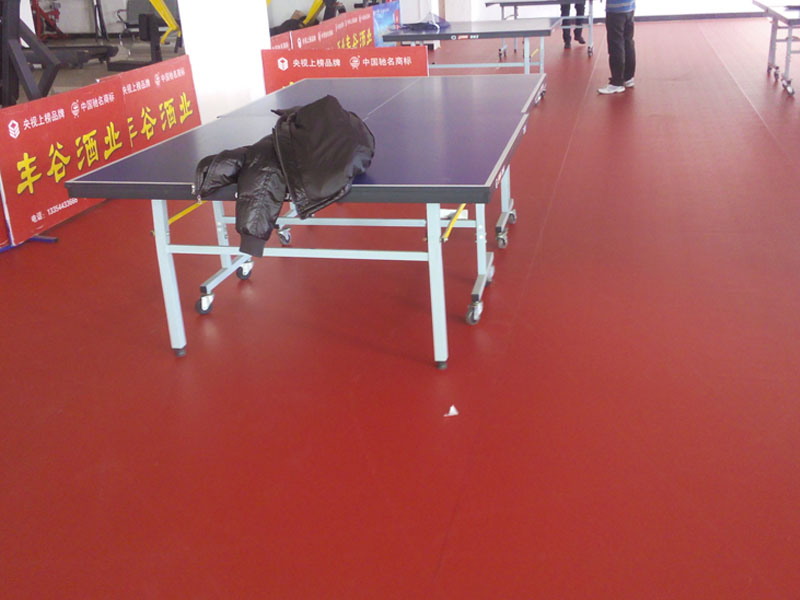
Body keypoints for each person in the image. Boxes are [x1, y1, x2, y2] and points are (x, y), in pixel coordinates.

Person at [598, 0, 636, 94]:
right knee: (628, 42)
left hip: (616, 9)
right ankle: (628, 77)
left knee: (616, 45)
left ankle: (617, 82)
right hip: (629, 8)